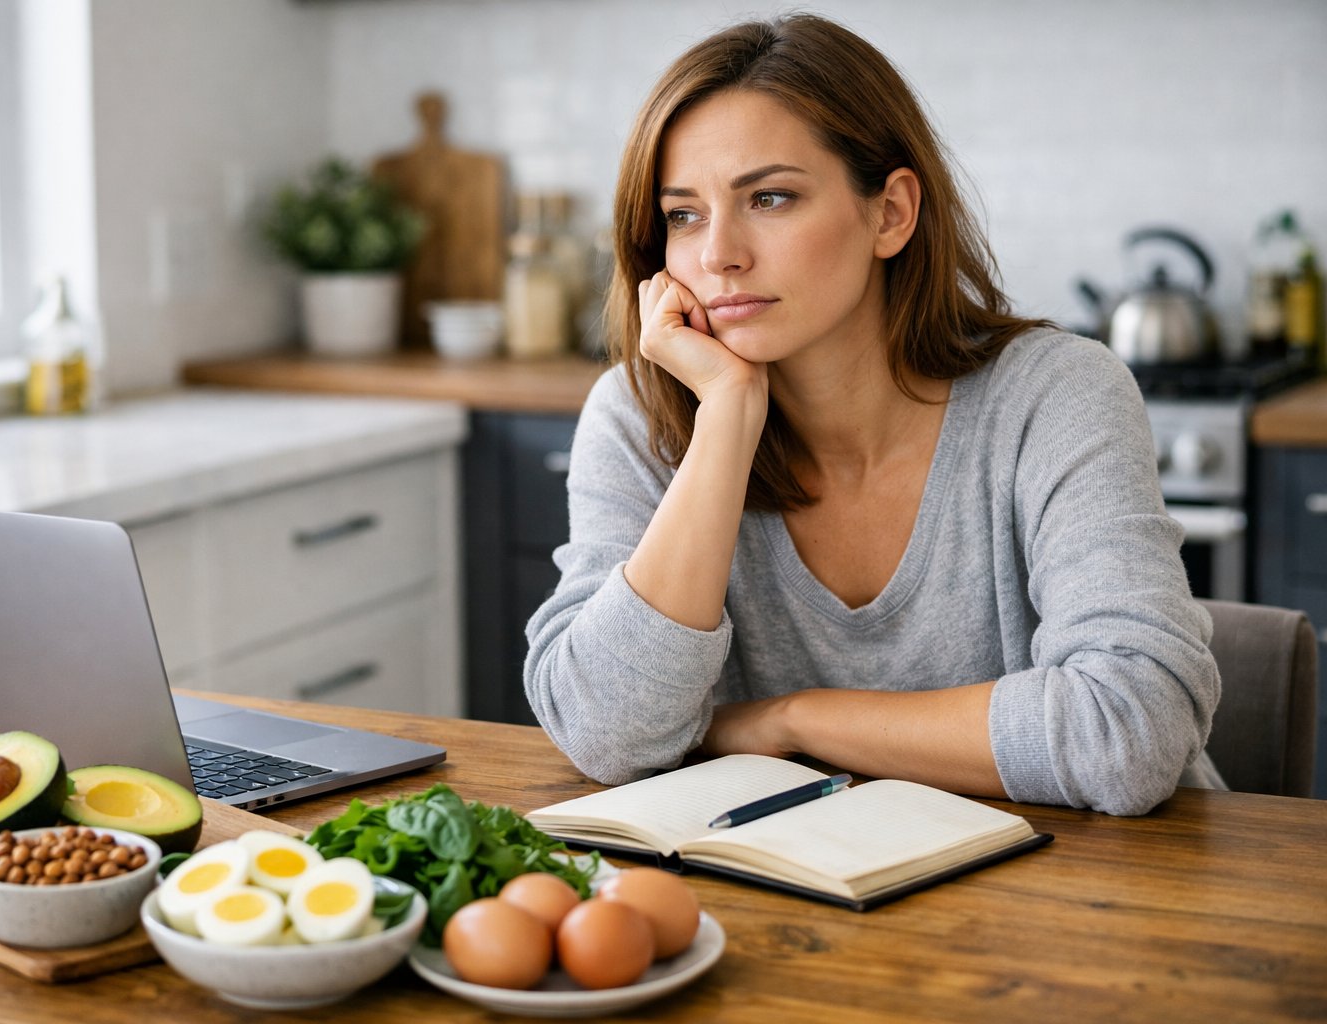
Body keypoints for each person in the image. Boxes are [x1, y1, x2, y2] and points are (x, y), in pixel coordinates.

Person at [523, 14, 1222, 816]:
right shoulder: (640, 414)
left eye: (771, 197)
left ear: (890, 213)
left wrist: (796, 719)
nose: (718, 254)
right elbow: (604, 735)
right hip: (814, 904)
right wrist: (726, 422)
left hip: (1102, 900)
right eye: (683, 215)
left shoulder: (1056, 394)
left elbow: (1129, 732)